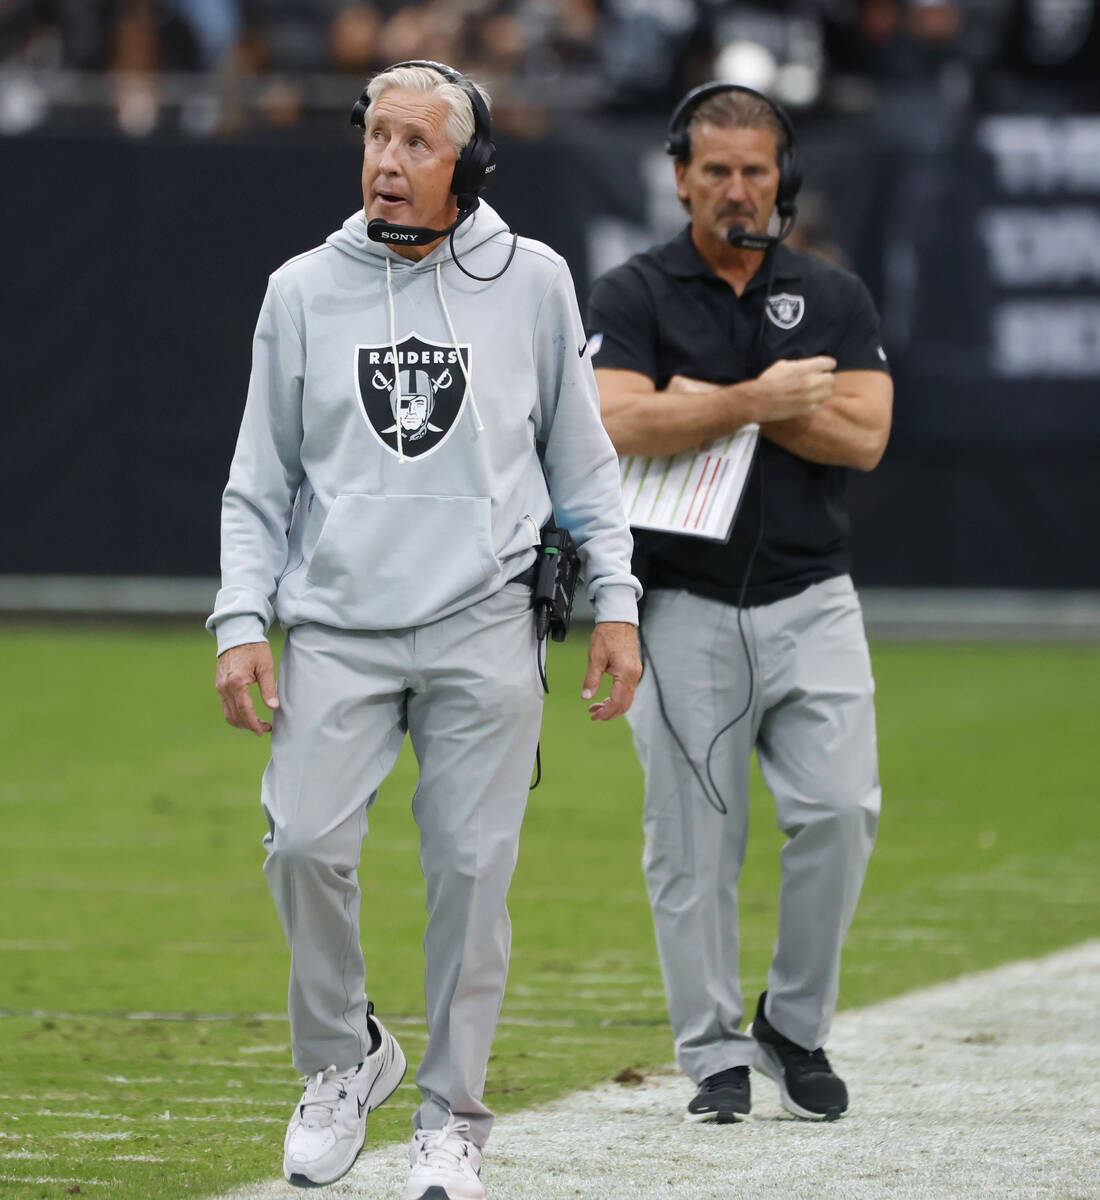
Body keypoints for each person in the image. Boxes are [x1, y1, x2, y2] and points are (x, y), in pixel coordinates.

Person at [208, 60, 641, 1200]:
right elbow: (258, 481)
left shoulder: (533, 281)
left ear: (468, 163)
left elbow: (583, 467)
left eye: (416, 143)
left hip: (484, 624)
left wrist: (616, 604)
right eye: (376, 138)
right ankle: (344, 1060)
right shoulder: (300, 288)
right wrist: (239, 618)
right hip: (338, 627)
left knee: (468, 876)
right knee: (300, 845)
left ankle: (450, 1119)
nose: (388, 163)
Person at [587, 83, 892, 1124]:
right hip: (679, 602)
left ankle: (791, 1026)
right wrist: (763, 398)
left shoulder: (831, 293)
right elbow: (616, 419)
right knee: (691, 843)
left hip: (812, 592)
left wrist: (706, 407)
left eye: (753, 172)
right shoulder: (631, 291)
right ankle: (712, 1054)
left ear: (782, 181)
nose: (734, 191)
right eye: (713, 171)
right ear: (679, 178)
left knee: (841, 811)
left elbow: (863, 433)